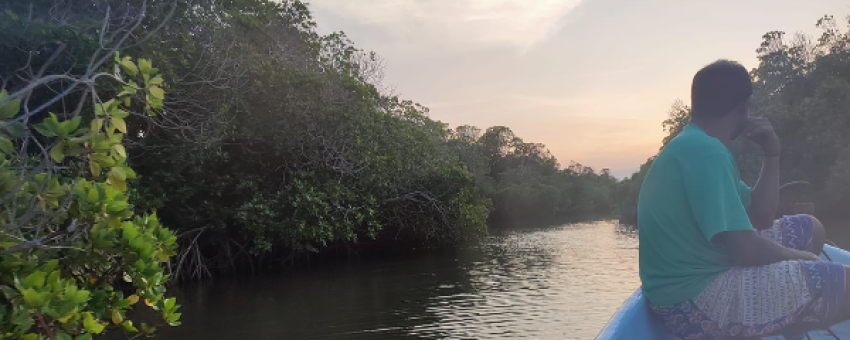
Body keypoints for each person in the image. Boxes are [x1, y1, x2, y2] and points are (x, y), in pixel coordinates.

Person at [638, 59, 850, 339]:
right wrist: (801, 259)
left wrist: (771, 153)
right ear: (744, 106)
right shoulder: (706, 152)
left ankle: (788, 314)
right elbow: (745, 250)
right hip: (692, 303)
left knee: (809, 229)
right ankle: (790, 308)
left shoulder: (696, 144)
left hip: (686, 289)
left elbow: (760, 217)